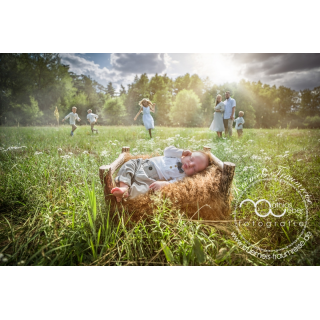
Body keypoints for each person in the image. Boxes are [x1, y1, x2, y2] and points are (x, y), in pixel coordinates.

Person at [111, 146, 214, 202]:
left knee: (145, 190)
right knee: (128, 165)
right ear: (188, 155)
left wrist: (164, 184)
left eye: (194, 168)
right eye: (191, 159)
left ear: (195, 174)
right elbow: (167, 150)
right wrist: (181, 152)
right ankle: (124, 186)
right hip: (142, 164)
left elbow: (174, 182)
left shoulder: (184, 176)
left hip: (150, 178)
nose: (190, 164)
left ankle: (126, 193)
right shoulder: (177, 156)